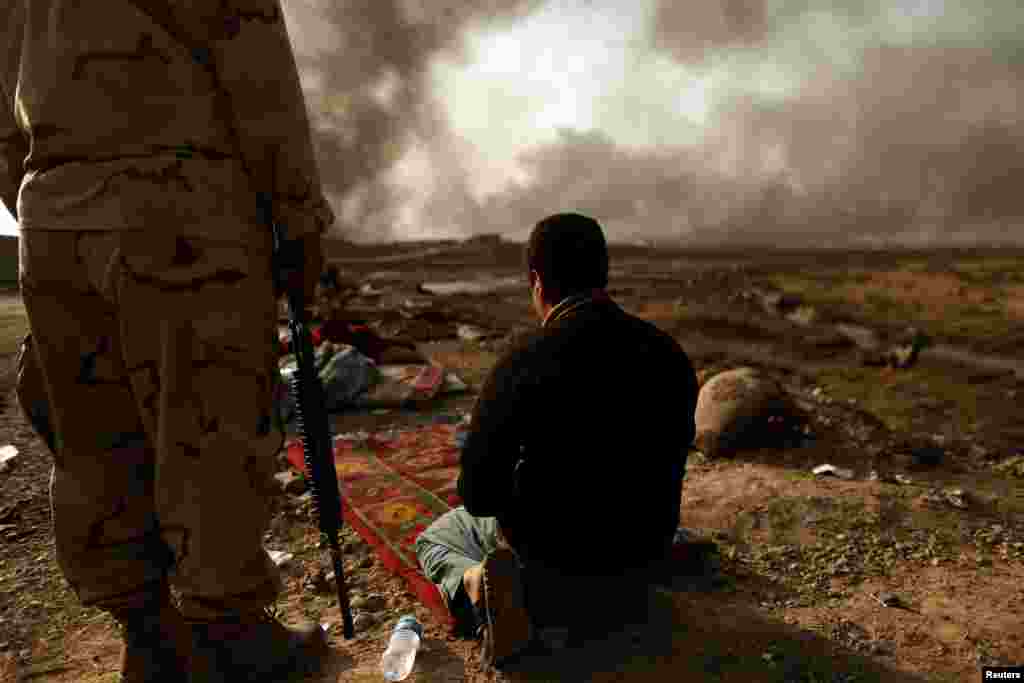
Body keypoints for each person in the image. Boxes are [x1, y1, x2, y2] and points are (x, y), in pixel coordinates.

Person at [1, 2, 335, 681]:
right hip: (177, 201)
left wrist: (50, 200)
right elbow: (255, 59)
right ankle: (229, 633)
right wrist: (297, 218)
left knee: (95, 439)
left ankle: (149, 634)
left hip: (53, 214)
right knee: (211, 421)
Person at [415, 213, 700, 664]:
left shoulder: (522, 360)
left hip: (554, 571)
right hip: (643, 558)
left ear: (537, 282)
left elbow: (478, 495)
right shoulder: (669, 354)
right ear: (604, 274)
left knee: (439, 535)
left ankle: (477, 588)